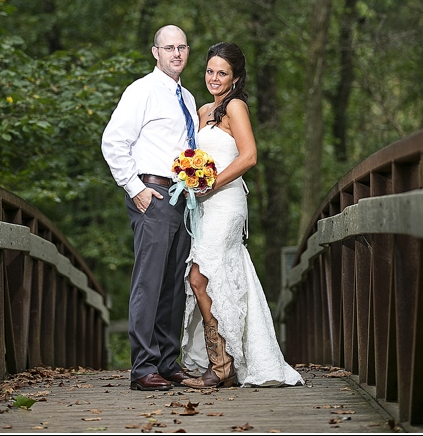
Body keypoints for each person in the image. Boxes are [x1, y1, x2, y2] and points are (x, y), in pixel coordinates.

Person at [179, 42, 303, 388]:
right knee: (217, 278)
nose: (214, 78)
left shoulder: (235, 107)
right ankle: (225, 363)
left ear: (234, 78)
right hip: (203, 205)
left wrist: (212, 183)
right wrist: (191, 177)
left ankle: (221, 366)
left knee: (200, 278)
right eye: (209, 71)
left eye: (222, 73)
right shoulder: (204, 111)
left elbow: (249, 157)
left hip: (227, 201)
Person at [101, 25, 198, 391]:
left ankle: (167, 361)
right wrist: (135, 188)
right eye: (168, 47)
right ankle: (143, 368)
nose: (176, 53)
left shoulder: (186, 97)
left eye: (182, 47)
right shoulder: (141, 90)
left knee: (174, 284)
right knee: (149, 282)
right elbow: (113, 142)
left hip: (183, 200)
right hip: (153, 194)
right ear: (155, 52)